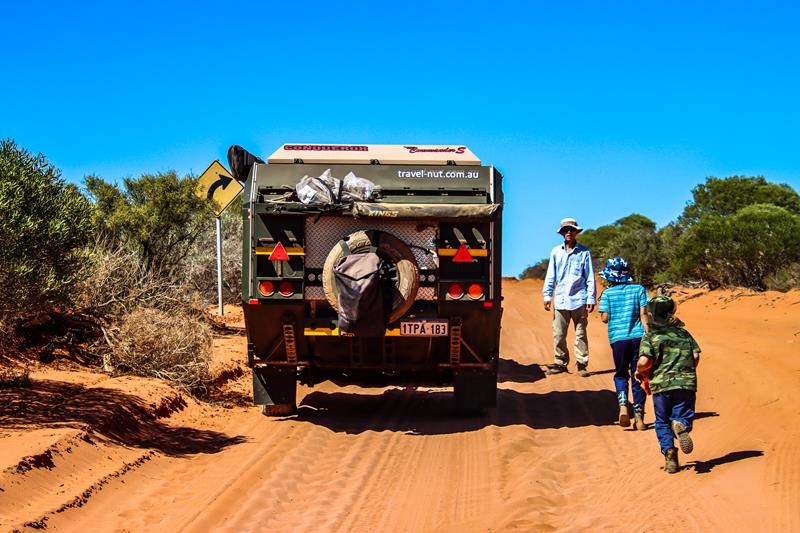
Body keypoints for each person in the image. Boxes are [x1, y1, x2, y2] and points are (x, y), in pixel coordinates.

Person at [635, 295, 701, 474]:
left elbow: (644, 361)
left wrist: (640, 371)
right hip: (685, 383)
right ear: (671, 311)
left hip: (661, 385)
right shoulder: (683, 333)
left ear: (652, 314)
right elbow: (695, 356)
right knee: (683, 415)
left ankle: (670, 456)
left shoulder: (651, 336)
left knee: (662, 421)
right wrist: (687, 370)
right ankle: (681, 424)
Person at [597, 257, 649, 430]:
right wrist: (650, 336)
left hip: (618, 340)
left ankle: (623, 407)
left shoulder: (607, 293)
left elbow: (604, 318)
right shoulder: (639, 289)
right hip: (638, 338)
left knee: (621, 374)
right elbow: (643, 316)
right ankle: (639, 416)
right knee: (638, 374)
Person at [543, 217, 596, 377]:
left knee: (580, 334)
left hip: (579, 299)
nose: (568, 232)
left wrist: (591, 298)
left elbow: (590, 277)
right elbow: (551, 275)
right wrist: (547, 295)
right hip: (561, 299)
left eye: (571, 230)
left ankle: (582, 364)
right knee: (559, 334)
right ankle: (560, 362)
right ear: (562, 233)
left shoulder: (584, 252)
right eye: (565, 230)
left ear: (576, 232)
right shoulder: (556, 252)